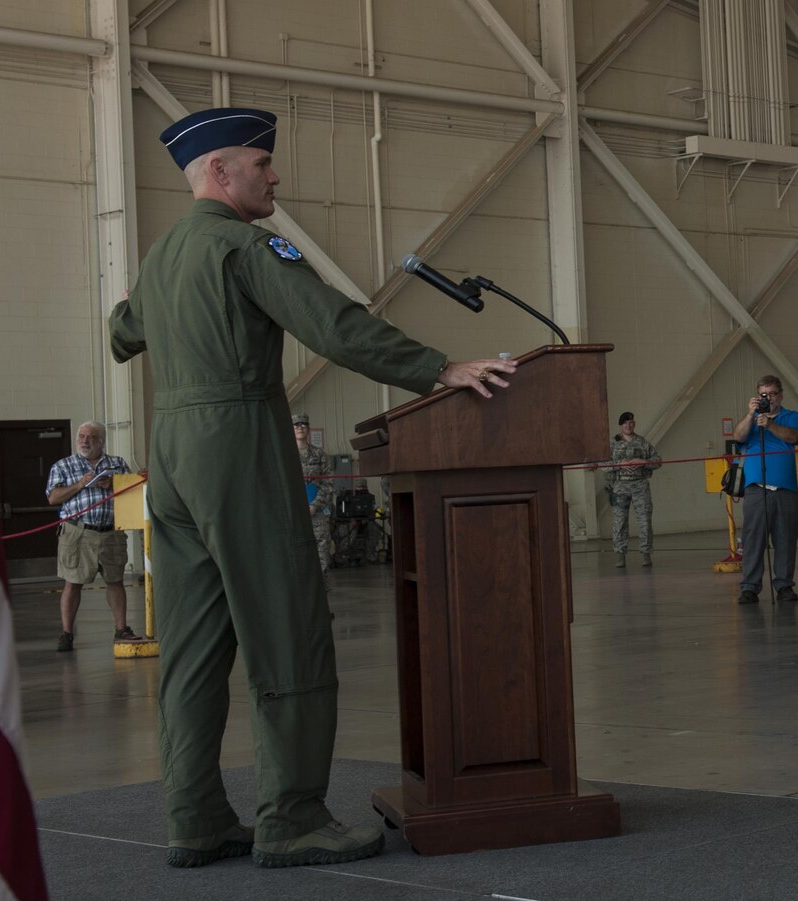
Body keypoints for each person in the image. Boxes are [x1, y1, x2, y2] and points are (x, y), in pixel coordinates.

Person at [110, 106, 511, 869]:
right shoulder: (245, 246)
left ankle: (193, 818)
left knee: (192, 650)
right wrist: (441, 368)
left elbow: (123, 331)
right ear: (221, 173)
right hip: (239, 444)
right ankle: (291, 817)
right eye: (262, 163)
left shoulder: (164, 254)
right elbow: (333, 325)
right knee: (288, 633)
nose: (275, 175)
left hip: (170, 454)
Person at [46, 420, 136, 652]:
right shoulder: (63, 465)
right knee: (72, 583)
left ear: (102, 441)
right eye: (82, 437)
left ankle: (121, 629)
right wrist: (80, 484)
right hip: (78, 532)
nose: (85, 441)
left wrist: (112, 485)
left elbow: (132, 492)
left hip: (110, 532)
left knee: (115, 580)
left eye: (92, 437)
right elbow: (53, 498)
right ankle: (67, 633)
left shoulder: (117, 464)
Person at [733, 374, 798, 604]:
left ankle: (784, 585)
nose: (769, 398)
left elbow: (795, 437)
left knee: (785, 538)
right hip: (756, 488)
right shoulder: (751, 419)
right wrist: (750, 414)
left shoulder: (792, 416)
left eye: (773, 394)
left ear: (781, 395)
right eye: (764, 395)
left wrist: (771, 424)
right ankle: (750, 587)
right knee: (753, 538)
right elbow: (738, 437)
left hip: (786, 488)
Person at [608, 411, 661, 567]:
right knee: (620, 522)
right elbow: (602, 465)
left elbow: (658, 461)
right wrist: (619, 465)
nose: (628, 425)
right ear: (621, 425)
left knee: (645, 520)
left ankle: (645, 554)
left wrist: (643, 461)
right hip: (620, 486)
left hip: (640, 485)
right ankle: (620, 555)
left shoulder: (642, 442)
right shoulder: (613, 443)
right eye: (625, 423)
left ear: (634, 424)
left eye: (631, 422)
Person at [293, 414, 335, 573]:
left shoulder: (320, 454)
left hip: (317, 512)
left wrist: (314, 506)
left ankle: (322, 590)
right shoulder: (285, 455)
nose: (300, 428)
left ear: (308, 429)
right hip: (294, 512)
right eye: (296, 425)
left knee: (322, 550)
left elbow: (328, 483)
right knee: (296, 550)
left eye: (303, 425)